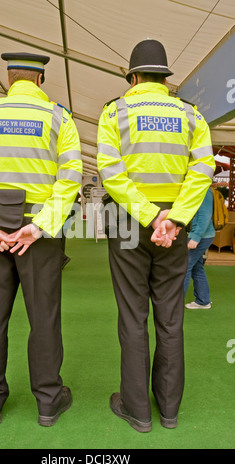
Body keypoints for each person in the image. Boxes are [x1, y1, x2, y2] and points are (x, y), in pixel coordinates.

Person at [0, 52, 82, 426]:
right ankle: (47, 402)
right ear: (40, 81)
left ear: (9, 80)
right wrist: (40, 225)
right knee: (44, 318)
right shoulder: (60, 117)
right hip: (38, 232)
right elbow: (70, 177)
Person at [97, 39, 215, 432]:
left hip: (130, 226)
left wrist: (149, 216)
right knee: (170, 318)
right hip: (174, 231)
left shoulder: (116, 111)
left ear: (132, 76)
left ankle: (137, 410)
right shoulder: (190, 114)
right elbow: (203, 170)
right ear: (165, 78)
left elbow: (111, 173)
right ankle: (168, 411)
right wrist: (174, 219)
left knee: (133, 317)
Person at [184, 187, 215, 309]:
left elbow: (205, 215)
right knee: (197, 268)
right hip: (199, 235)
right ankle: (203, 301)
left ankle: (175, 305)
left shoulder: (204, 189)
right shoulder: (196, 188)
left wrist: (196, 237)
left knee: (185, 267)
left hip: (200, 236)